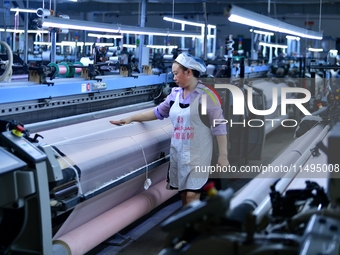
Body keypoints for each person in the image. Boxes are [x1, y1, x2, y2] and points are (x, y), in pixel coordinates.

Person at [110, 53, 229, 205]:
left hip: (198, 155)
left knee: (192, 196)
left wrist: (223, 156)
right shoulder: (175, 95)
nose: (173, 78)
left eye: (176, 73)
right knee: (185, 195)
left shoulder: (207, 96)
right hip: (178, 151)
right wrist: (131, 118)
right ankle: (188, 223)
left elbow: (219, 127)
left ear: (188, 72)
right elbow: (157, 112)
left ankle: (190, 226)